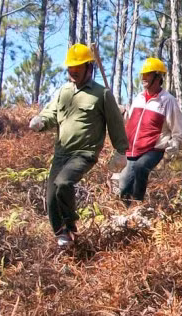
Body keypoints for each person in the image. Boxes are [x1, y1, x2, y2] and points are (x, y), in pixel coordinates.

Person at [30, 44, 128, 247]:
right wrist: (41, 121)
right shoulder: (63, 91)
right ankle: (62, 235)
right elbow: (51, 114)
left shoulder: (102, 94)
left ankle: (71, 225)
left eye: (77, 68)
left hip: (84, 153)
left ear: (88, 67)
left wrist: (121, 151)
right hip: (61, 153)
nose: (72, 72)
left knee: (64, 183)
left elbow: (115, 123)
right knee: (50, 198)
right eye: (70, 69)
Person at [119, 57, 182, 204]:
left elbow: (179, 133)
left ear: (158, 76)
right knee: (123, 187)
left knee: (141, 167)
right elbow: (130, 122)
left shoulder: (168, 101)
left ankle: (138, 204)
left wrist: (175, 144)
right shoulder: (138, 98)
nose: (143, 77)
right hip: (133, 149)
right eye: (143, 74)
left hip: (153, 149)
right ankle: (127, 215)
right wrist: (121, 113)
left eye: (147, 74)